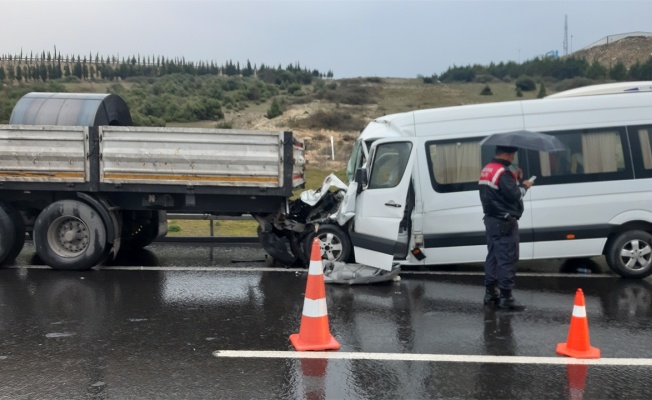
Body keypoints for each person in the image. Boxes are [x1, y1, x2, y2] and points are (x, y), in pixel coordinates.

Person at [478, 146, 534, 311]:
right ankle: (506, 298)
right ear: (507, 154)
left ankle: (490, 294)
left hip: (491, 219)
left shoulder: (488, 169)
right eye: (512, 156)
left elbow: (497, 193)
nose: (512, 159)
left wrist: (514, 177)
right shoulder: (503, 172)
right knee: (507, 258)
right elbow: (515, 195)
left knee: (493, 257)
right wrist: (525, 185)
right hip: (504, 221)